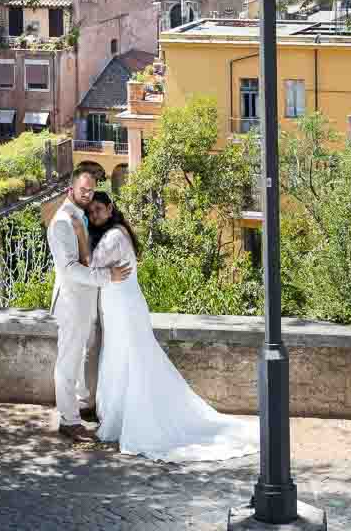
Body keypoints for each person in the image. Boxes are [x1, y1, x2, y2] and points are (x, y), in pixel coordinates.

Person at [68, 191, 259, 462]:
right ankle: (121, 417)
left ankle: (133, 420)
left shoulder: (114, 237)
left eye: (98, 210)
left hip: (123, 309)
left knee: (129, 360)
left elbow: (90, 267)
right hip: (120, 306)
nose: (94, 215)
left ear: (110, 208)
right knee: (122, 360)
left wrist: (79, 232)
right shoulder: (117, 233)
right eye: (90, 213)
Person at [47, 169, 132, 442]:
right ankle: (68, 421)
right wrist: (107, 277)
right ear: (70, 189)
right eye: (83, 190)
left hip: (88, 302)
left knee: (85, 355)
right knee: (67, 363)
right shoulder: (61, 222)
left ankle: (83, 406)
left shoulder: (80, 217)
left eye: (91, 191)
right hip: (72, 303)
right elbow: (70, 268)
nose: (87, 195)